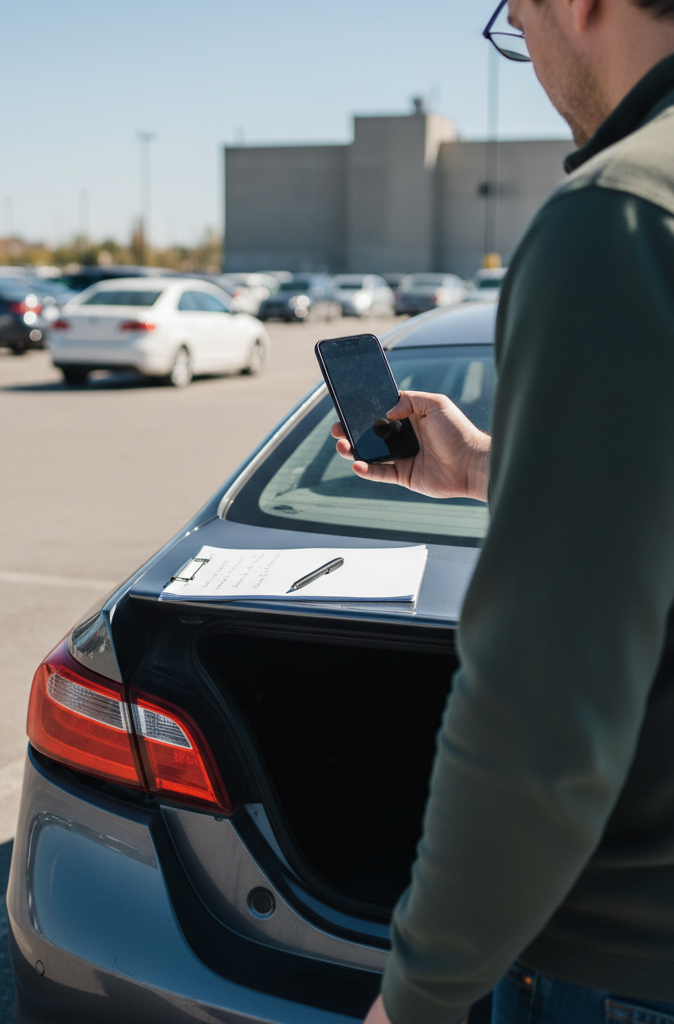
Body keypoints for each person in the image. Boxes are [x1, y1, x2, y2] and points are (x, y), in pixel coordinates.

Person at [335, 2, 674, 1022]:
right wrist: (493, 465)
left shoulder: (619, 214)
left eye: (518, 26)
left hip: (627, 962)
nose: (527, 57)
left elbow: (542, 713)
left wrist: (418, 995)